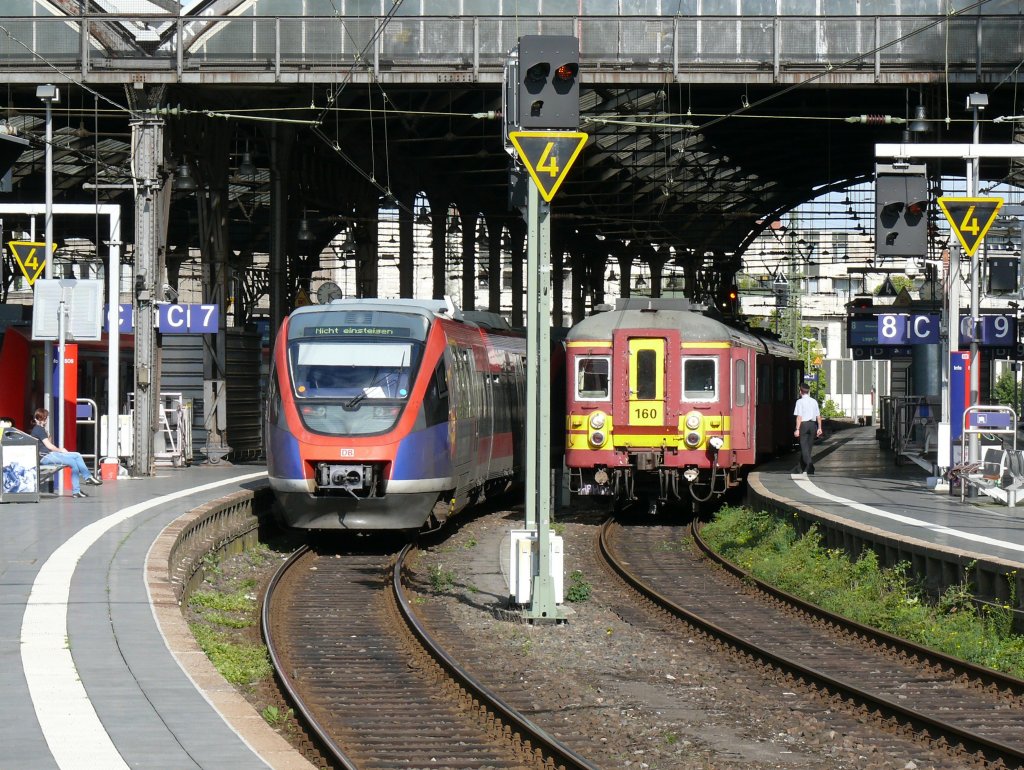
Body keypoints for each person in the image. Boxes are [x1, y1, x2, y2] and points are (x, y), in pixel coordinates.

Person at [30, 407, 102, 498]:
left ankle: (82, 485)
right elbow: (49, 446)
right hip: (45, 457)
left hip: (48, 455)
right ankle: (83, 483)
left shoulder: (39, 429)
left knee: (76, 458)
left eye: (45, 418)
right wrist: (61, 450)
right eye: (44, 418)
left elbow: (47, 444)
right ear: (40, 419)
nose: (46, 420)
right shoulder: (39, 429)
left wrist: (49, 436)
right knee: (74, 459)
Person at [793, 383, 823, 475]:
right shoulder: (814, 401)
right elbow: (818, 416)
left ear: (800, 391)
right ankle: (801, 468)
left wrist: (797, 429)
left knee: (803, 447)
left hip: (804, 425)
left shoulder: (799, 402)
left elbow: (799, 417)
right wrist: (819, 428)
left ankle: (810, 466)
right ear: (808, 391)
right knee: (808, 447)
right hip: (813, 425)